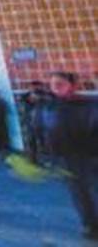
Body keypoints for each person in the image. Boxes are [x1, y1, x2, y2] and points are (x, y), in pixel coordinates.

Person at [40, 71, 97, 240]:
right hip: (66, 158)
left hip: (91, 155)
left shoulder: (90, 104)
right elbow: (44, 130)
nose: (55, 87)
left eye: (60, 83)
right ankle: (90, 226)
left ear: (71, 85)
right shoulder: (49, 106)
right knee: (80, 194)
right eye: (52, 84)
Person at [21, 82, 51, 165]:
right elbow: (24, 106)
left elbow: (51, 102)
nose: (35, 88)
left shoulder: (46, 95)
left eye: (37, 87)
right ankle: (33, 159)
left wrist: (42, 98)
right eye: (33, 87)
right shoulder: (25, 96)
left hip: (43, 122)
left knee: (44, 141)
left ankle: (46, 158)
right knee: (31, 141)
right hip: (31, 122)